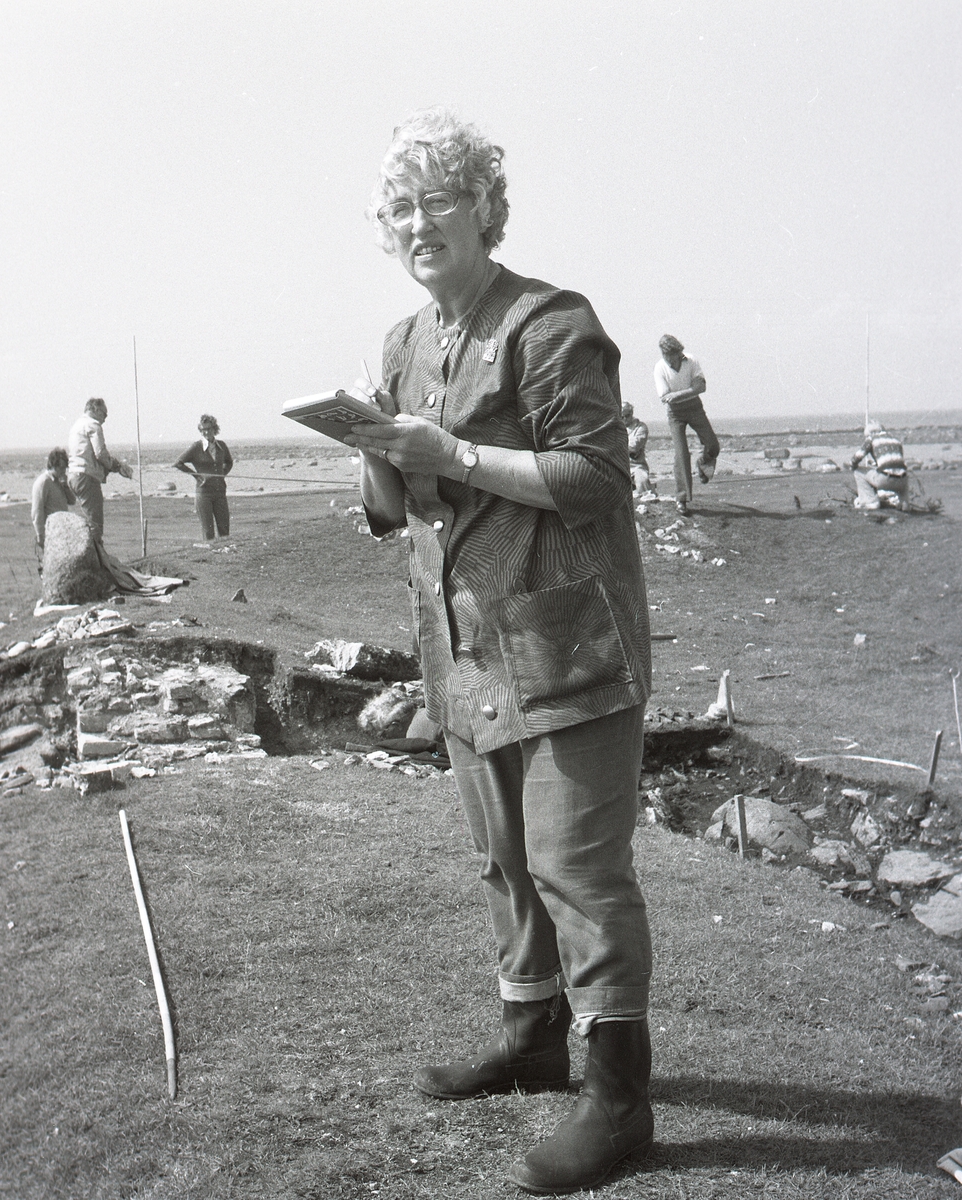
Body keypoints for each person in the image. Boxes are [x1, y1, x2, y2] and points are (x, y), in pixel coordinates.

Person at [345, 108, 655, 1195]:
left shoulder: (551, 321)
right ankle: (531, 1041)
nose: (415, 222)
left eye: (436, 198)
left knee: (577, 866)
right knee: (505, 858)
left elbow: (594, 477)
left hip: (567, 641)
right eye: (398, 207)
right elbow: (399, 510)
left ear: (484, 206)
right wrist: (377, 454)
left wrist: (454, 452)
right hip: (465, 646)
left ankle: (620, 1099)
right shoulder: (403, 343)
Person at [653, 334, 719, 515]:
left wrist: (677, 394)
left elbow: (702, 387)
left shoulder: (691, 360)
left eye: (671, 354)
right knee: (681, 454)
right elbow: (666, 397)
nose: (669, 358)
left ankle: (703, 464)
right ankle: (682, 499)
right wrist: (690, 391)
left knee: (713, 445)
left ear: (678, 352)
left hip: (695, 408)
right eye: (665, 354)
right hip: (675, 414)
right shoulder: (659, 368)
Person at [66, 397, 133, 542]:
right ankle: (96, 554)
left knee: (89, 522)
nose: (105, 419)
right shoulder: (93, 425)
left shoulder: (76, 425)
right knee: (95, 525)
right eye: (104, 414)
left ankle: (92, 550)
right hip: (87, 478)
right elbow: (100, 454)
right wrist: (117, 466)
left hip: (73, 476)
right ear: (95, 410)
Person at [174, 414, 233, 539]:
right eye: (203, 430)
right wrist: (197, 476)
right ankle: (210, 551)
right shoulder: (196, 447)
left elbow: (229, 462)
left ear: (214, 429)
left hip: (220, 492)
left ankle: (224, 551)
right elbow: (178, 463)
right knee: (208, 531)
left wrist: (222, 474)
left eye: (209, 429)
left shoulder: (222, 446)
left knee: (224, 530)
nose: (206, 432)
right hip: (204, 493)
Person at [30, 447, 76, 569]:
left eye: (65, 468)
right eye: (61, 467)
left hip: (63, 531)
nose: (63, 471)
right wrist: (40, 535)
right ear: (53, 465)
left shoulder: (59, 481)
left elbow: (72, 501)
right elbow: (37, 510)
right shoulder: (43, 482)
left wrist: (65, 486)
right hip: (50, 533)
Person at [850, 420, 909, 510]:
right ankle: (904, 504)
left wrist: (852, 465)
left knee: (858, 472)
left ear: (872, 433)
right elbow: (896, 462)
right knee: (900, 473)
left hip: (885, 480)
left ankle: (871, 501)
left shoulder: (872, 439)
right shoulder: (896, 440)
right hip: (903, 481)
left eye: (866, 436)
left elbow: (858, 456)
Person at [622, 402, 653, 495]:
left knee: (642, 480)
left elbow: (634, 446)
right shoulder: (613, 428)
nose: (624, 419)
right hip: (618, 464)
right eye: (621, 417)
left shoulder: (641, 427)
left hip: (636, 466)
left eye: (627, 416)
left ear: (631, 413)